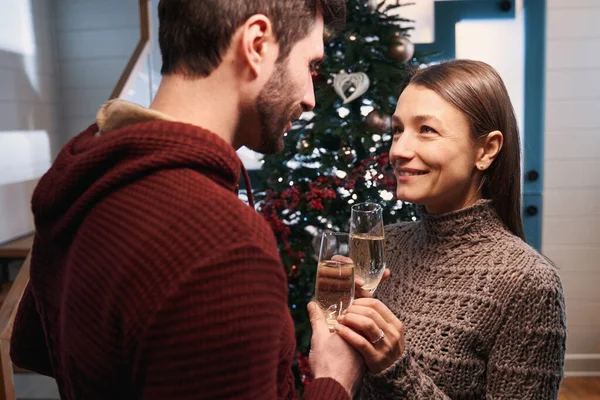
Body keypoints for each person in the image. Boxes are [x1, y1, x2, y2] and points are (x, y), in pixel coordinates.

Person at [10, 1, 365, 399]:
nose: (311, 97)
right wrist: (334, 379)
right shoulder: (221, 239)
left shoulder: (91, 166)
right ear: (257, 43)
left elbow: (34, 346)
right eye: (310, 66)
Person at [333, 60, 566, 399]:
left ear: (486, 150)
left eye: (426, 129)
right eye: (397, 130)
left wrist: (397, 369)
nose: (398, 150)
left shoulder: (527, 283)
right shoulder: (386, 245)